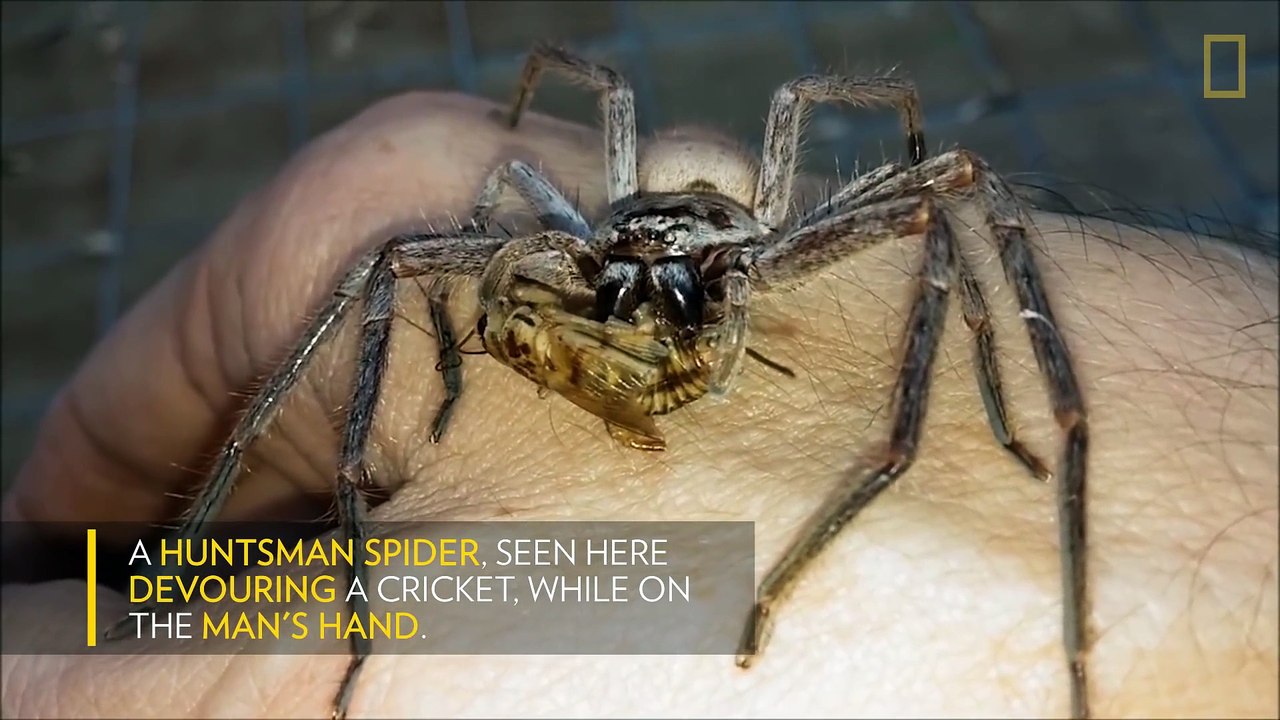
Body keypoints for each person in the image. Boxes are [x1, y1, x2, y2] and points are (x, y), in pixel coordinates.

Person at [2, 91, 1276, 718]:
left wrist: (997, 413)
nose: (652, 289)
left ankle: (1009, 470)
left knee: (951, 193)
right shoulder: (576, 237)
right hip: (594, 235)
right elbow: (496, 173)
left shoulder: (763, 236)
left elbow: (942, 178)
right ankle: (223, 520)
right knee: (385, 262)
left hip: (759, 241)